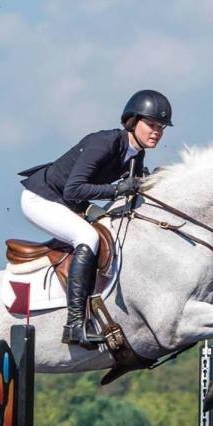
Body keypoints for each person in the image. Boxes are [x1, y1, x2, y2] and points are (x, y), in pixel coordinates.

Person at [18, 89, 173, 348]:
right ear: (133, 122)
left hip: (69, 202)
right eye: (151, 125)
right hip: (41, 199)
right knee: (87, 236)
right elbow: (74, 189)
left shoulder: (137, 154)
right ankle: (75, 325)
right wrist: (117, 189)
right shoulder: (104, 143)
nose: (157, 131)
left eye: (161, 127)